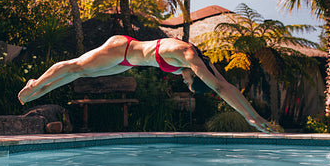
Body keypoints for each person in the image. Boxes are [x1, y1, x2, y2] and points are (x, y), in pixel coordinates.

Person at [18, 35, 275, 133]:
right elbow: (218, 88)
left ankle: (37, 92)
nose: (183, 80)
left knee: (81, 74)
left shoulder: (204, 65)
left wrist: (254, 116)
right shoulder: (187, 56)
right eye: (188, 81)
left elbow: (225, 85)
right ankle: (36, 83)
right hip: (122, 48)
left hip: (129, 61)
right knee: (77, 67)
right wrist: (250, 117)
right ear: (194, 74)